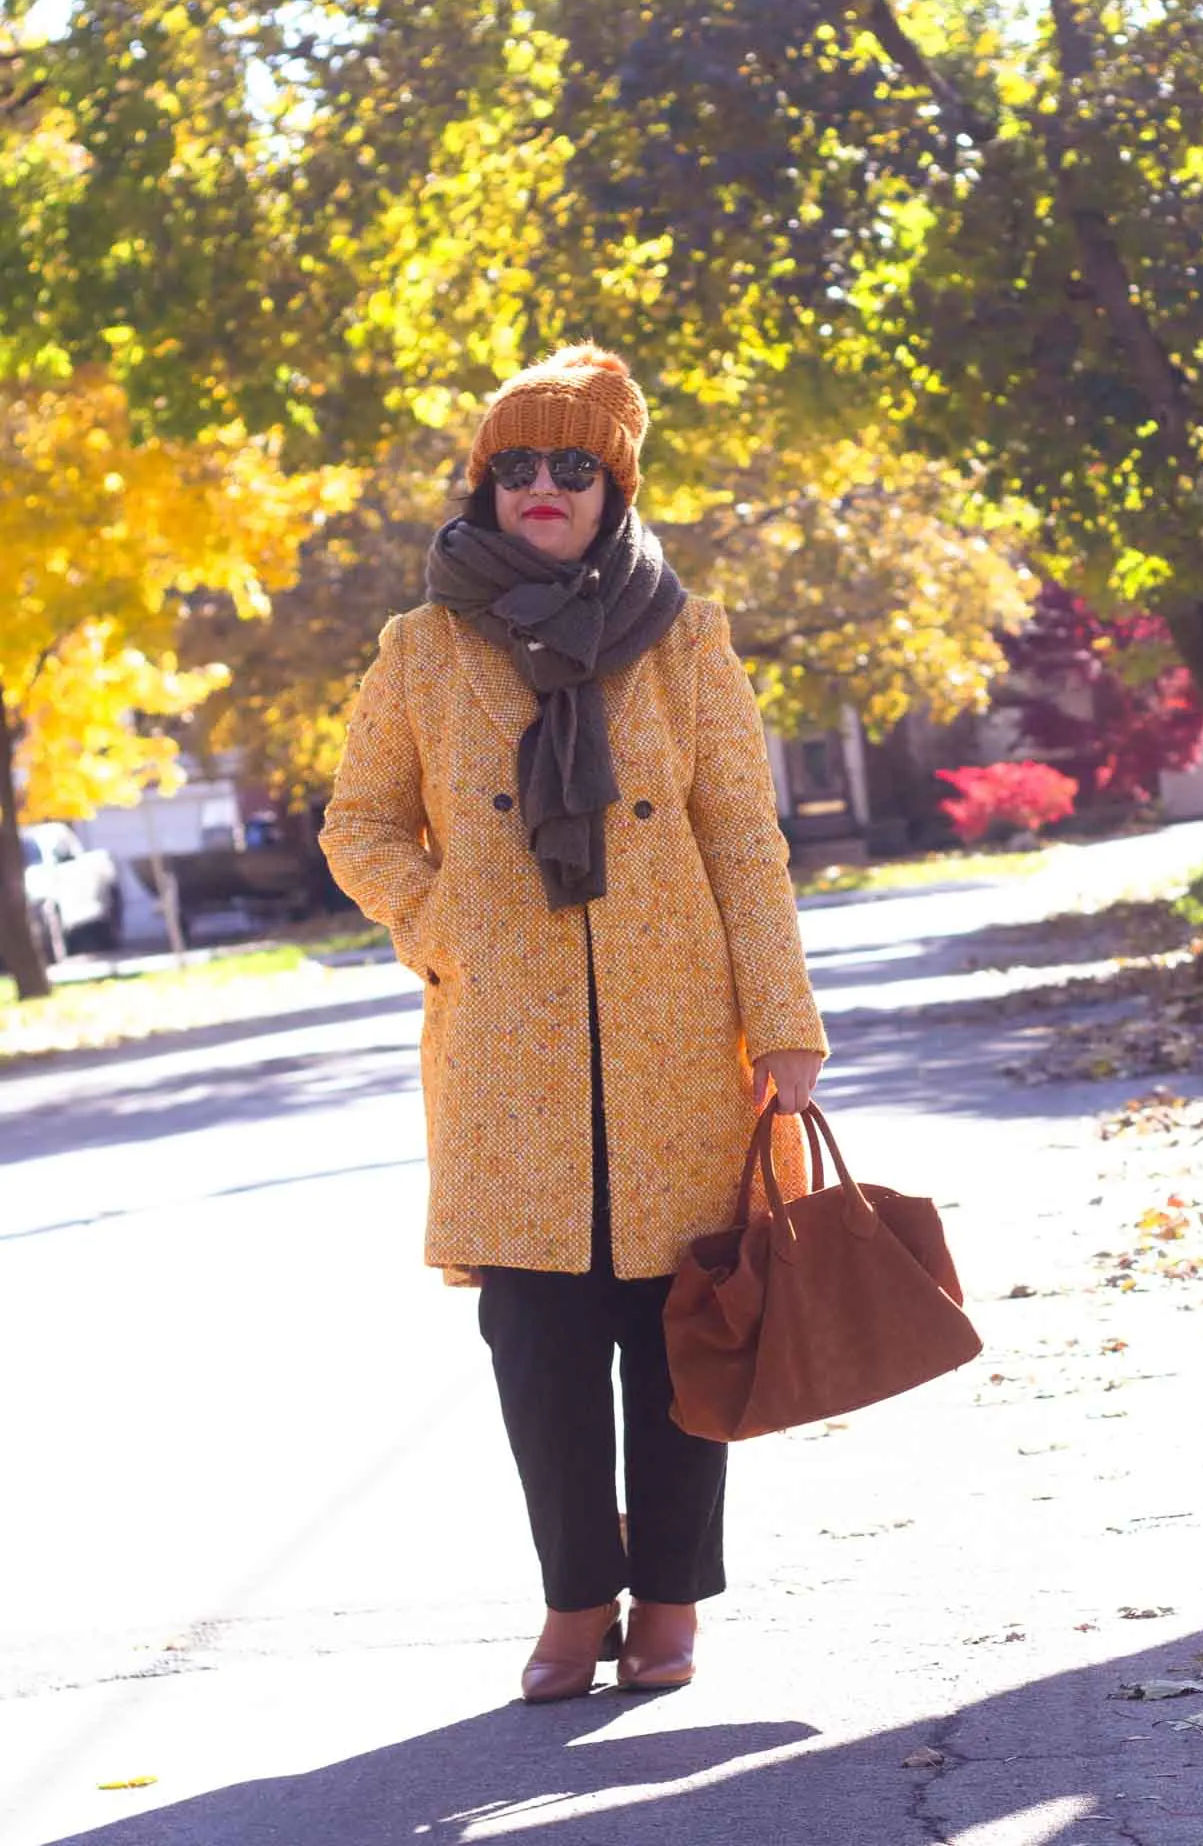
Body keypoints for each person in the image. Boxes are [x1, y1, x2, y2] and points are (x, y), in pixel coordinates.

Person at [321, 344, 827, 1702]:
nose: (546, 487)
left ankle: (667, 1601)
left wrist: (785, 1026)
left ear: (616, 485)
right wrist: (442, 926)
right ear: (485, 486)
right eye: (519, 466)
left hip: (679, 1034)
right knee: (539, 1346)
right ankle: (571, 1600)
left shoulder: (689, 638)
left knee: (680, 1334)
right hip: (506, 1044)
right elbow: (359, 823)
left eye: (575, 465)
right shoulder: (421, 651)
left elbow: (745, 841)